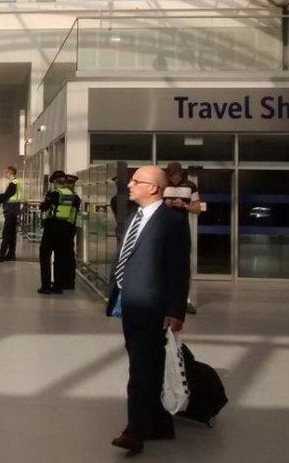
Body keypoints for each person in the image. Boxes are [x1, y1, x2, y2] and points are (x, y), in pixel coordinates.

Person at [106, 166, 191, 455]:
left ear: (153, 188)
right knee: (144, 364)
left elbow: (179, 269)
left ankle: (135, 431)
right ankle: (158, 423)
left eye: (136, 181)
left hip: (152, 305)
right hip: (129, 301)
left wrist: (175, 310)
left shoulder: (172, 221)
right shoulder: (134, 216)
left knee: (141, 368)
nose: (129, 185)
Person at [163, 162, 205, 315]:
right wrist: (164, 204)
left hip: (181, 230)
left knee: (184, 266)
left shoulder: (190, 186)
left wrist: (184, 205)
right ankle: (164, 298)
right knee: (163, 263)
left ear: (181, 174)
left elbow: (198, 208)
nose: (174, 179)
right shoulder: (162, 185)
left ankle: (185, 299)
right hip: (164, 229)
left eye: (177, 176)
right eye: (171, 176)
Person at [38, 171, 81, 294]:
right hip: (66, 229)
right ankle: (58, 286)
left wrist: (45, 200)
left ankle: (45, 286)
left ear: (55, 182)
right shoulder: (75, 197)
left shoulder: (54, 193)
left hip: (52, 228)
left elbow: (44, 207)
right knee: (60, 258)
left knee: (45, 256)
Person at [0, 166, 24, 261]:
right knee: (11, 234)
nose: (5, 174)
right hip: (14, 210)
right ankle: (11, 254)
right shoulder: (16, 183)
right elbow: (8, 194)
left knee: (6, 233)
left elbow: (8, 195)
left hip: (11, 210)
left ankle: (1, 255)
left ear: (11, 173)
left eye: (7, 172)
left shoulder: (13, 183)